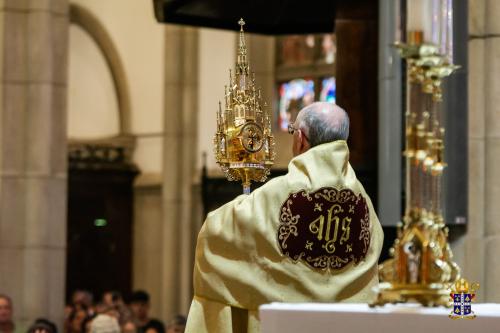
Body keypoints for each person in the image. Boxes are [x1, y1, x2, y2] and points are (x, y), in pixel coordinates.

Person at [185, 102, 384, 332]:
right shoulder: (364, 201)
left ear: (299, 138)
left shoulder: (277, 193)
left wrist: (241, 203)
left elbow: (215, 235)